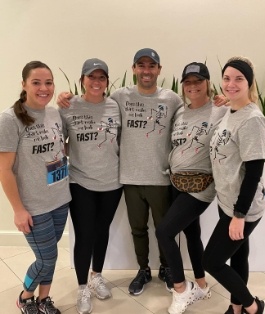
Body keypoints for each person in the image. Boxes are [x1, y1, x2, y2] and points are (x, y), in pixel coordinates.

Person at [57, 48, 183, 295]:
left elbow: (192, 112)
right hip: (127, 177)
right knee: (137, 229)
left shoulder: (172, 99)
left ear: (159, 69)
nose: (146, 70)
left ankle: (166, 268)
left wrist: (217, 101)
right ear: (133, 68)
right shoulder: (118, 97)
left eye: (151, 66)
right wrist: (62, 96)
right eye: (141, 65)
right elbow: (72, 124)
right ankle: (143, 269)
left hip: (158, 178)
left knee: (164, 230)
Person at [156, 62, 228, 314]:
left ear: (208, 83)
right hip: (176, 181)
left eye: (198, 81)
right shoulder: (180, 113)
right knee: (191, 233)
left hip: (201, 185)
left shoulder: (221, 110)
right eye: (188, 82)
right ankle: (200, 283)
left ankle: (180, 289)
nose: (193, 86)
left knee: (164, 233)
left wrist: (226, 100)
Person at [0, 61, 71, 314]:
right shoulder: (10, 119)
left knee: (49, 256)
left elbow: (60, 149)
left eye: (49, 82)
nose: (44, 88)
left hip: (61, 198)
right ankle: (25, 297)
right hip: (34, 205)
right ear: (24, 85)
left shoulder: (54, 113)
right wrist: (18, 210)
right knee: (47, 258)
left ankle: (43, 301)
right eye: (36, 82)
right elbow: (4, 169)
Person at [203, 57, 265, 314]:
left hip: (243, 208)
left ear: (249, 82)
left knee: (212, 261)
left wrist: (239, 215)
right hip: (227, 201)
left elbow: (254, 173)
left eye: (239, 78)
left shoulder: (252, 120)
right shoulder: (232, 112)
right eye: (227, 78)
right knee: (238, 256)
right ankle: (236, 306)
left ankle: (254, 308)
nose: (231, 84)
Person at [58, 58, 123, 314]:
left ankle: (97, 276)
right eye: (91, 77)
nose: (96, 82)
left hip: (112, 183)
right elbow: (58, 141)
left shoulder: (115, 107)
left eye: (101, 77)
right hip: (80, 181)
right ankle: (83, 287)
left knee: (101, 231)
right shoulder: (68, 106)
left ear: (107, 81)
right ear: (82, 79)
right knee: (84, 235)